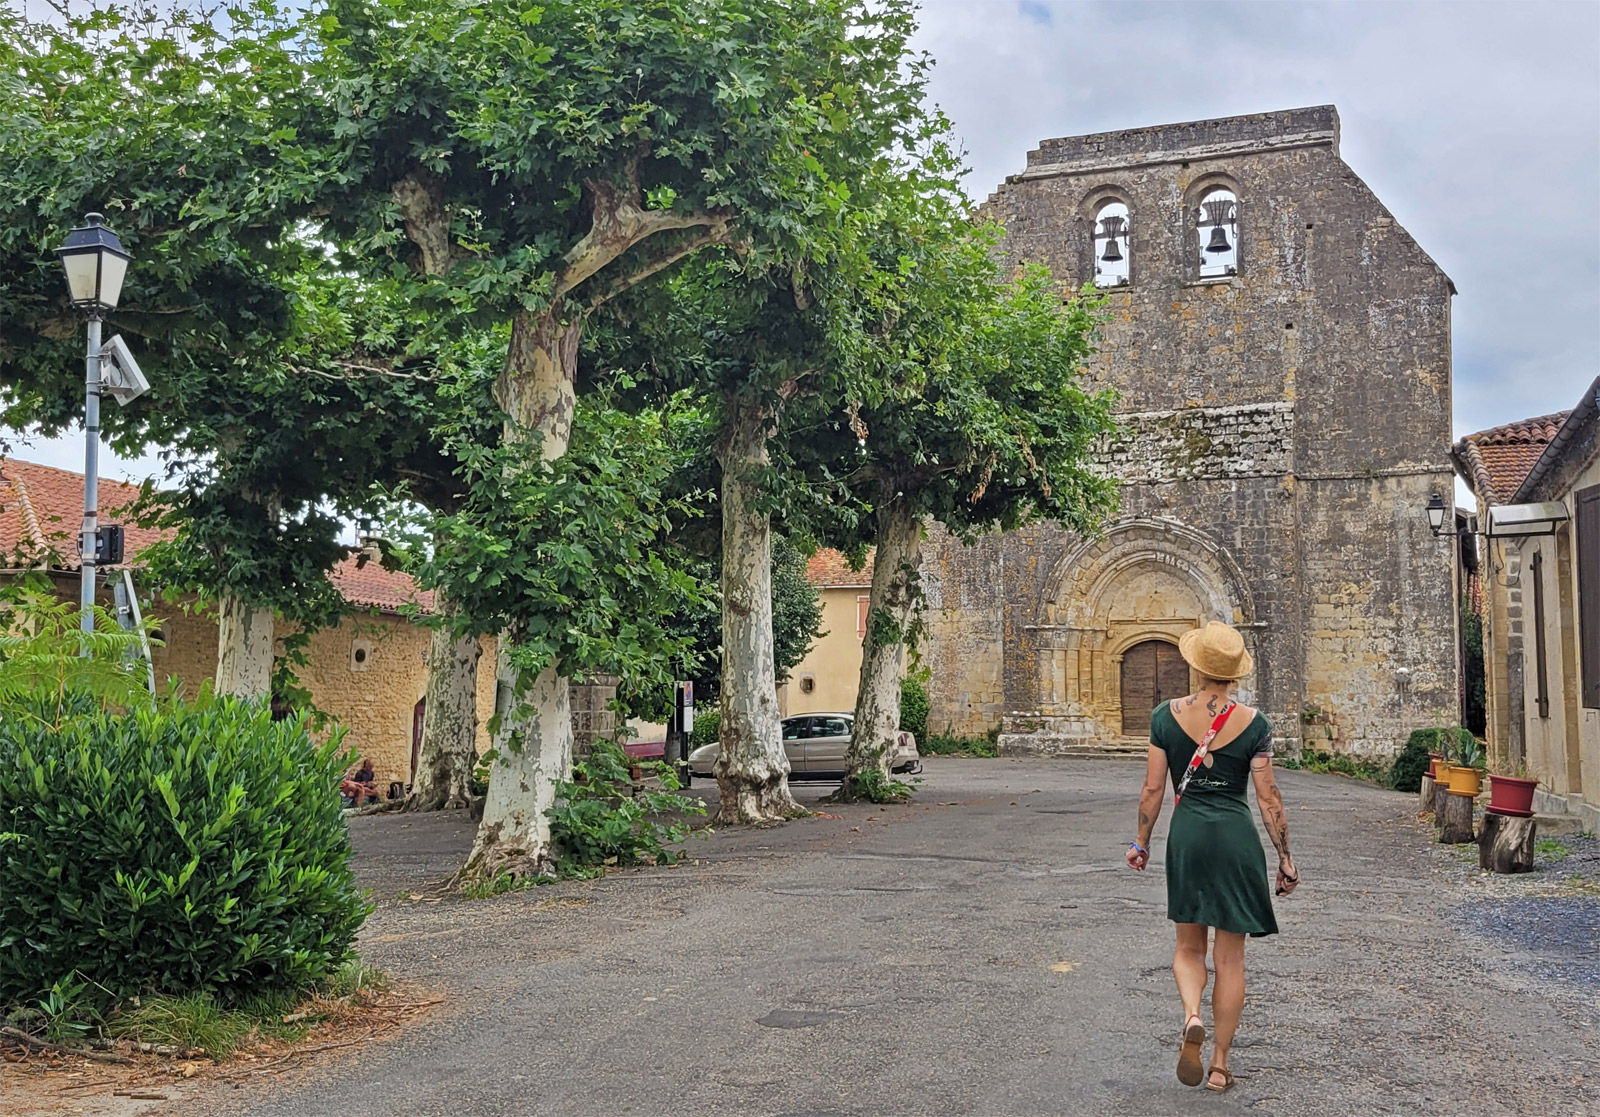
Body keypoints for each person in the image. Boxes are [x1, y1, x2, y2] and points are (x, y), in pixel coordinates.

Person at [1124, 621, 1298, 1093]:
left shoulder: (1165, 716)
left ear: (1196, 666)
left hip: (1189, 837)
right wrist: (1285, 857)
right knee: (1231, 959)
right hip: (1236, 839)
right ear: (1234, 674)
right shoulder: (1255, 724)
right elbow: (1268, 797)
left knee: (1187, 947)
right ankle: (1220, 1064)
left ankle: (1192, 1015)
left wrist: (1141, 842)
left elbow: (1153, 788)